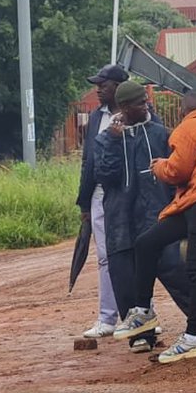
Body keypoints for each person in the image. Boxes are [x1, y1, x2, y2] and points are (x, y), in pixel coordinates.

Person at [113, 90, 196, 363]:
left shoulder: (186, 128)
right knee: (147, 242)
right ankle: (143, 312)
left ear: (183, 110)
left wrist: (159, 166)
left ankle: (192, 337)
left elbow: (177, 171)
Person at [94, 80, 195, 353]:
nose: (146, 105)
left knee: (175, 270)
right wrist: (114, 142)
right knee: (125, 278)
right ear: (125, 107)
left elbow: (176, 172)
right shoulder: (106, 139)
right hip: (121, 221)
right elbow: (105, 175)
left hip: (157, 215)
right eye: (140, 102)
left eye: (145, 100)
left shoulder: (161, 134)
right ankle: (141, 335)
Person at [76, 64, 129, 339]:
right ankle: (107, 318)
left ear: (118, 87)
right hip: (99, 193)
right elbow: (88, 160)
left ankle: (140, 314)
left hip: (127, 192)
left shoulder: (138, 113)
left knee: (131, 254)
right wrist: (84, 202)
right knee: (105, 257)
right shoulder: (97, 116)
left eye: (103, 85)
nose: (98, 90)